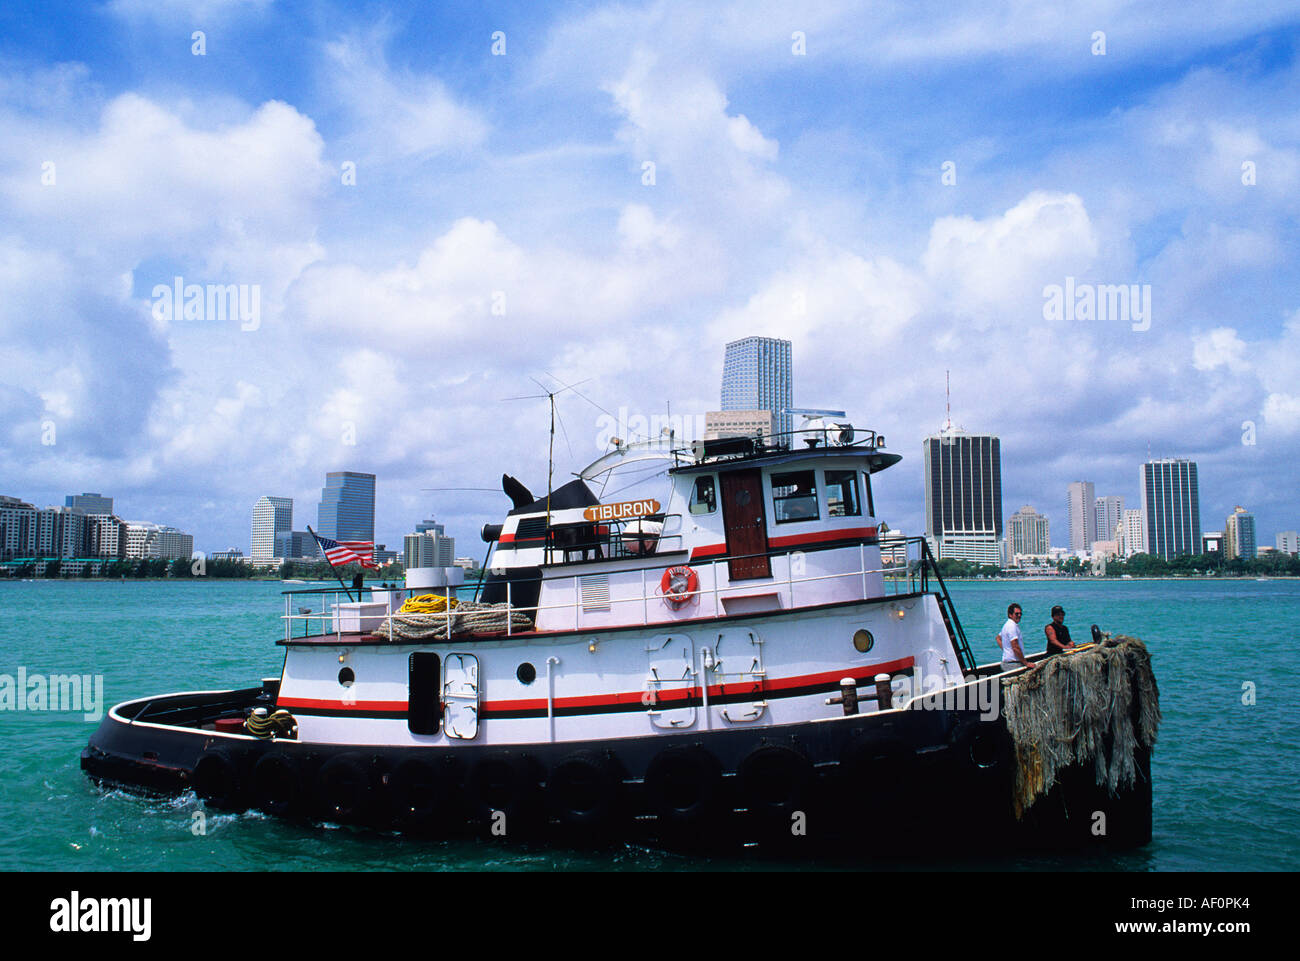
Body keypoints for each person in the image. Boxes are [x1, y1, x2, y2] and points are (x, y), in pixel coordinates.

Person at [996, 602, 1036, 672]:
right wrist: (1025, 663)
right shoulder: (1012, 626)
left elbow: (998, 638)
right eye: (1016, 614)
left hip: (1007, 663)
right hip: (1013, 664)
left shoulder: (1007, 625)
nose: (1019, 615)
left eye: (1020, 613)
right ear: (1010, 615)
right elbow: (1015, 647)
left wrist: (1007, 650)